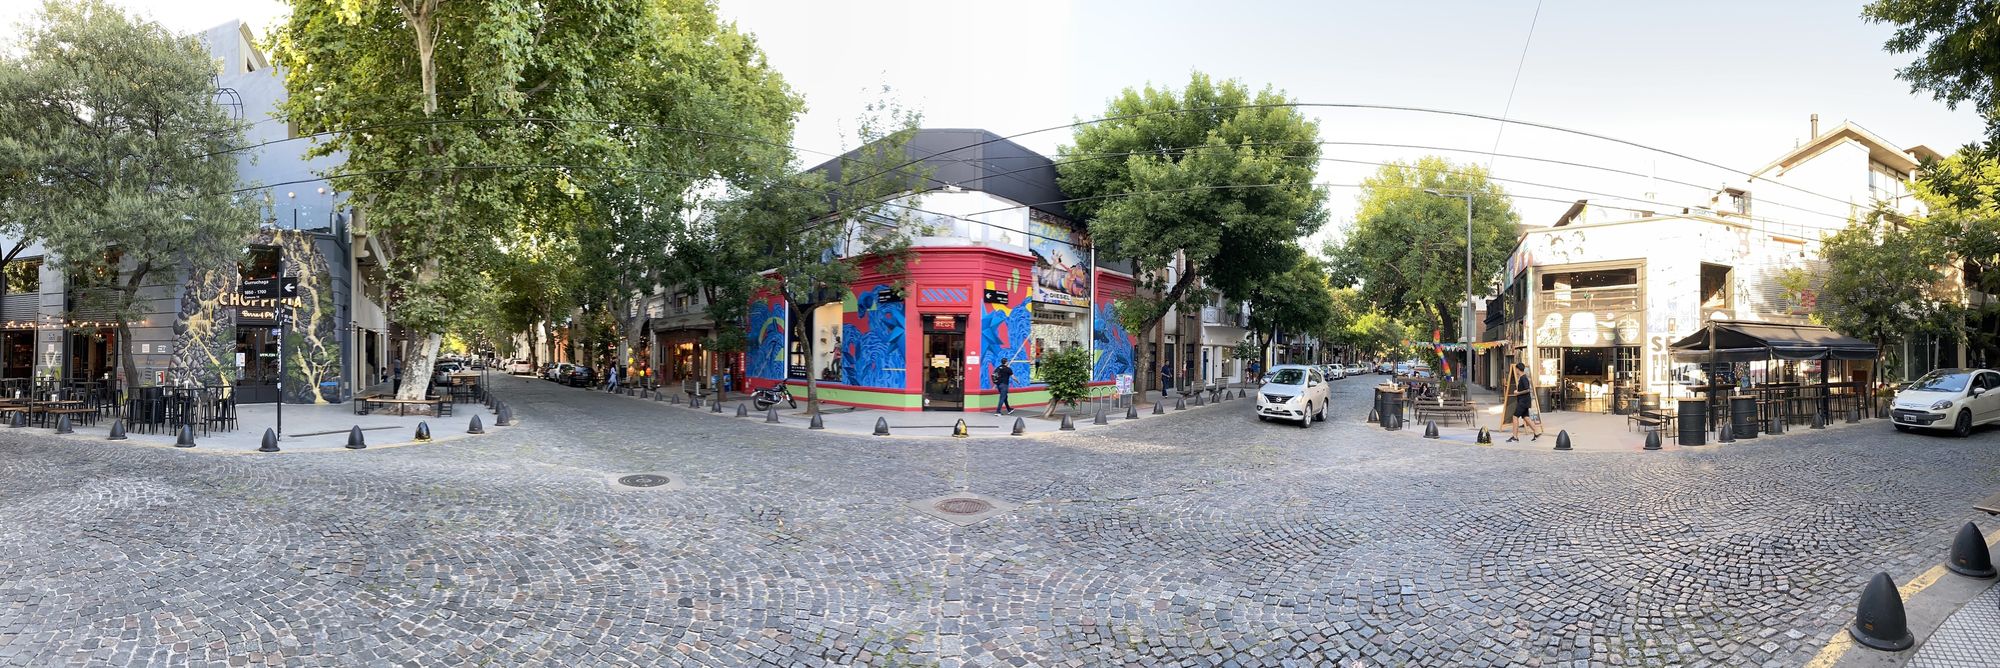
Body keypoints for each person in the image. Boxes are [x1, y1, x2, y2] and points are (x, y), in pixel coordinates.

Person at [1507, 361, 1544, 442]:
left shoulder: (1523, 378)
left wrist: (1518, 393)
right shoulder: (1523, 378)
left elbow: (1527, 390)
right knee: (1526, 417)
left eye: (1516, 369)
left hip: (1523, 402)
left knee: (1515, 416)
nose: (1516, 371)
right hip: (1524, 401)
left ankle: (1515, 437)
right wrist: (1518, 391)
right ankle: (1537, 432)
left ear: (1517, 369)